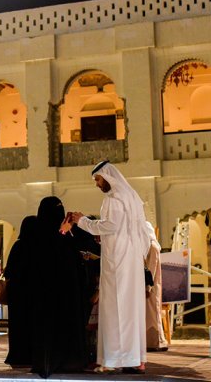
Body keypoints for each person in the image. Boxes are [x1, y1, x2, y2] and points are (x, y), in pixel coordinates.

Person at [69, 160, 149, 373]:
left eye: (97, 179)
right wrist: (103, 238)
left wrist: (82, 221)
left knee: (117, 308)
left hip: (118, 263)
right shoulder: (131, 198)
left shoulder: (113, 199)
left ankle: (118, 358)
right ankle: (133, 358)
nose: (97, 184)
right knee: (130, 309)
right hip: (130, 260)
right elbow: (123, 229)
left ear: (107, 177)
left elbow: (110, 225)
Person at [29, 196, 89, 378]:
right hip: (48, 292)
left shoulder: (62, 232)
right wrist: (62, 233)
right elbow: (47, 255)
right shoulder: (39, 233)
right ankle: (51, 361)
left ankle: (69, 361)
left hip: (66, 291)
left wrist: (74, 227)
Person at [4, 215, 38, 367]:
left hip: (17, 294)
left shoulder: (18, 246)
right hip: (34, 293)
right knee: (33, 324)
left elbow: (9, 271)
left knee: (18, 326)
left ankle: (18, 355)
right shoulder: (40, 246)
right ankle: (33, 354)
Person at [144, 221, 168, 352]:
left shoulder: (152, 247)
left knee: (153, 313)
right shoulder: (149, 246)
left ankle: (157, 341)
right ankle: (151, 341)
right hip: (149, 285)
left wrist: (147, 287)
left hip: (151, 286)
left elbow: (151, 269)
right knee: (150, 314)